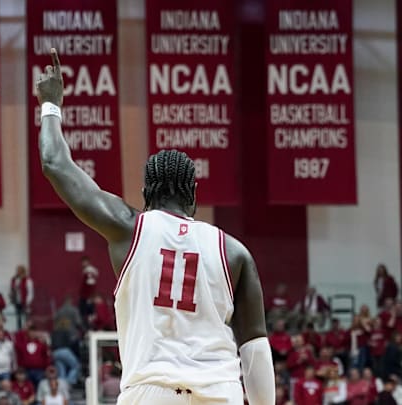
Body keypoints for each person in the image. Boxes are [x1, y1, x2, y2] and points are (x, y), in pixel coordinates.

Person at [34, 48, 274, 405]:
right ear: (194, 192)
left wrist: (50, 104)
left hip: (150, 393)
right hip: (219, 394)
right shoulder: (235, 252)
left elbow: (55, 163)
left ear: (146, 192)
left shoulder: (129, 228)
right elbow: (255, 350)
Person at [10, 266, 34, 331]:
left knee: (26, 318)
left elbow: (30, 292)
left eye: (19, 270)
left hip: (25, 302)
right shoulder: (14, 280)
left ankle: (27, 330)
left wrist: (27, 302)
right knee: (18, 318)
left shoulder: (28, 280)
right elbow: (12, 290)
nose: (17, 272)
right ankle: (19, 330)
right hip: (17, 301)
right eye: (17, 270)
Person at [78, 256, 99, 321]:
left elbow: (91, 285)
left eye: (84, 262)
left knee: (87, 313)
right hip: (86, 296)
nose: (83, 264)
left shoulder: (89, 272)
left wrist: (90, 297)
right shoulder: (87, 271)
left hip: (86, 296)